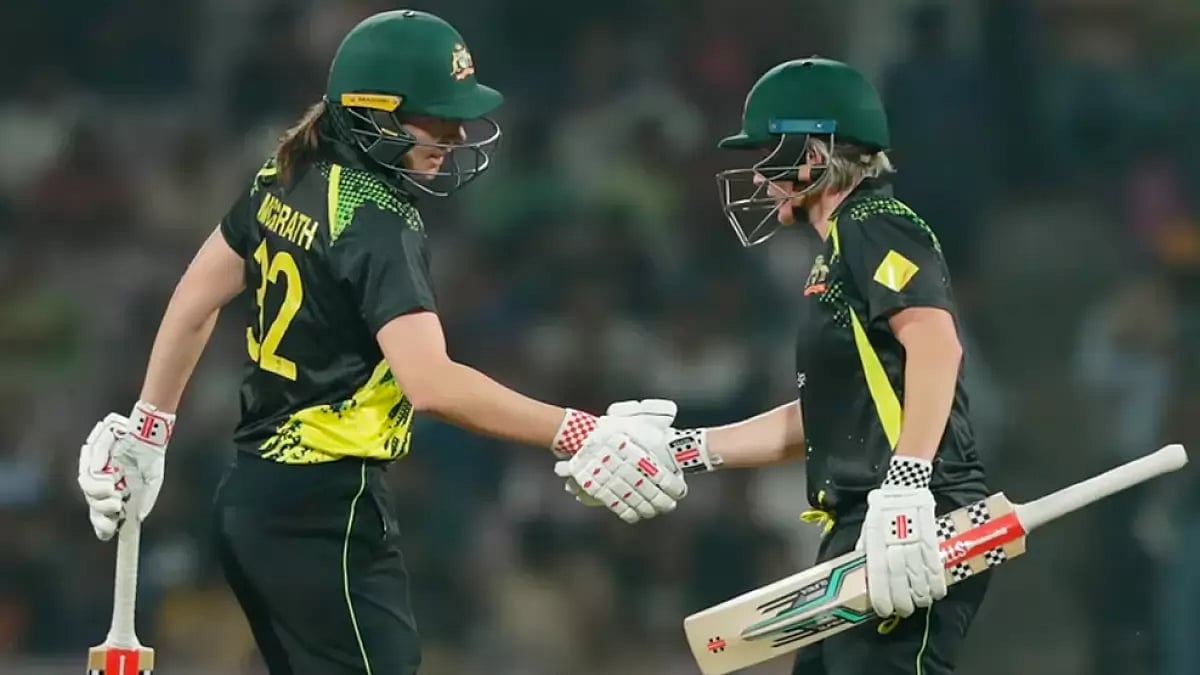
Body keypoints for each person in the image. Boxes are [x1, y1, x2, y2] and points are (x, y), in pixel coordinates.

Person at [74, 10, 686, 675]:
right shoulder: (378, 220)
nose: (455, 136)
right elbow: (432, 385)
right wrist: (580, 430)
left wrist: (150, 428)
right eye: (435, 118)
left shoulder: (287, 173)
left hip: (252, 498)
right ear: (373, 112)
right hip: (327, 512)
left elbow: (195, 297)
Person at [557, 57, 991, 675]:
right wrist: (686, 450)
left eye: (769, 155)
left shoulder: (874, 222)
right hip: (872, 518)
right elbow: (832, 416)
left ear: (813, 154)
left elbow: (936, 344)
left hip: (914, 514)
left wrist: (908, 485)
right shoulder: (838, 250)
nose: (760, 177)